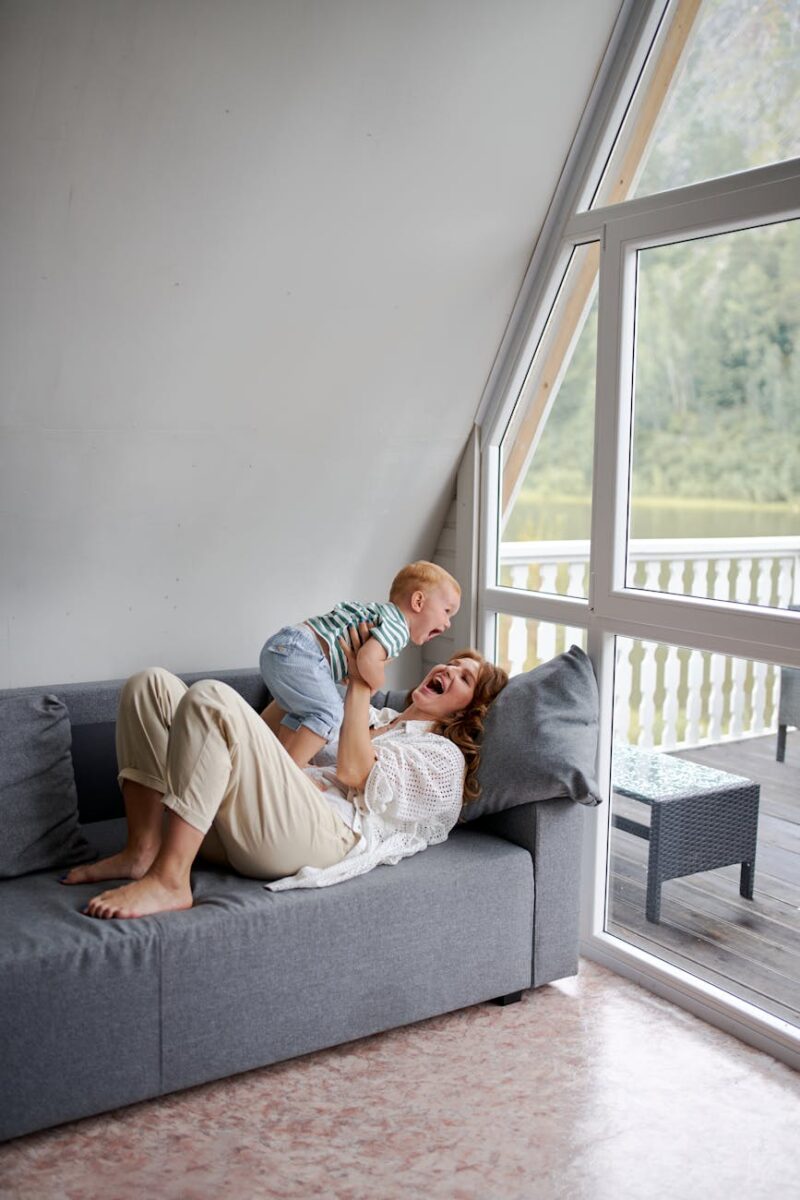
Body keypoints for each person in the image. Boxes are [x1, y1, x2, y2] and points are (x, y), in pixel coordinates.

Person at [60, 631, 507, 919]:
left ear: (469, 710)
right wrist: (312, 666)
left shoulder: (441, 755)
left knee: (213, 698)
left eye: (464, 678)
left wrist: (358, 684)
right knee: (149, 685)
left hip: (324, 837)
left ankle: (171, 881)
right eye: (451, 663)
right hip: (265, 818)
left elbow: (355, 771)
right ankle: (143, 850)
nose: (448, 669)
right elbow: (268, 743)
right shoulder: (373, 716)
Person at [259, 560, 462, 768]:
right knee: (330, 714)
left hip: (286, 646)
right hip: (303, 653)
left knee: (303, 712)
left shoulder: (381, 613)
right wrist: (376, 681)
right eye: (446, 611)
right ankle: (292, 772)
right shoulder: (399, 629)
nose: (447, 623)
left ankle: (279, 763)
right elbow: (366, 659)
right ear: (418, 602)